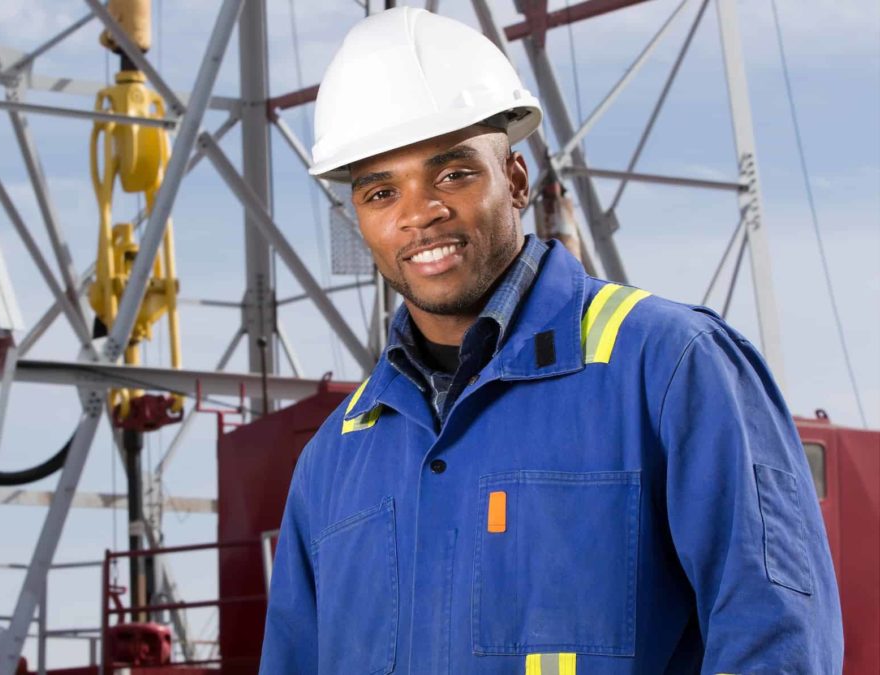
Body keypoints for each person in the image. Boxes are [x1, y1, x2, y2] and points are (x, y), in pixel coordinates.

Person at [259, 7, 842, 674]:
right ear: (360, 217)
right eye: (382, 191)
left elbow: (777, 642)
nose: (420, 213)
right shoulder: (333, 461)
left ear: (513, 179)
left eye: (453, 174)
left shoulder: (673, 369)